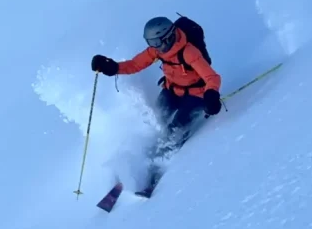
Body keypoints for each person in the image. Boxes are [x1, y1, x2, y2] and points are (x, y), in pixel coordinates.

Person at [91, 16, 223, 155]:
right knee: (157, 116)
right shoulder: (157, 50)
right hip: (172, 90)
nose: (154, 46)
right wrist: (114, 67)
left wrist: (211, 95)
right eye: (150, 42)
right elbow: (135, 64)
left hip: (196, 94)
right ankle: (152, 148)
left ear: (168, 37)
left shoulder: (189, 52)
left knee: (176, 128)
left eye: (156, 42)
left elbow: (212, 77)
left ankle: (166, 155)